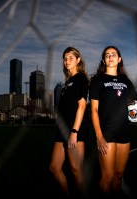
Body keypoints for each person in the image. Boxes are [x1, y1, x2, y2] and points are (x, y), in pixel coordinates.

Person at [89, 45, 137, 198]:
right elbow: (93, 110)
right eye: (107, 55)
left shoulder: (126, 81)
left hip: (124, 133)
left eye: (113, 54)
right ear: (104, 60)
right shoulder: (98, 81)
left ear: (119, 59)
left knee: (119, 175)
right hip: (106, 133)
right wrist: (99, 136)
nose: (110, 56)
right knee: (107, 177)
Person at [49, 46, 90, 198]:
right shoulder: (67, 82)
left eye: (70, 58)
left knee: (76, 169)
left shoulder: (81, 78)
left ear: (78, 60)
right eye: (65, 59)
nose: (67, 61)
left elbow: (81, 107)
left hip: (75, 130)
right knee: (54, 167)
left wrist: (74, 132)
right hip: (62, 130)